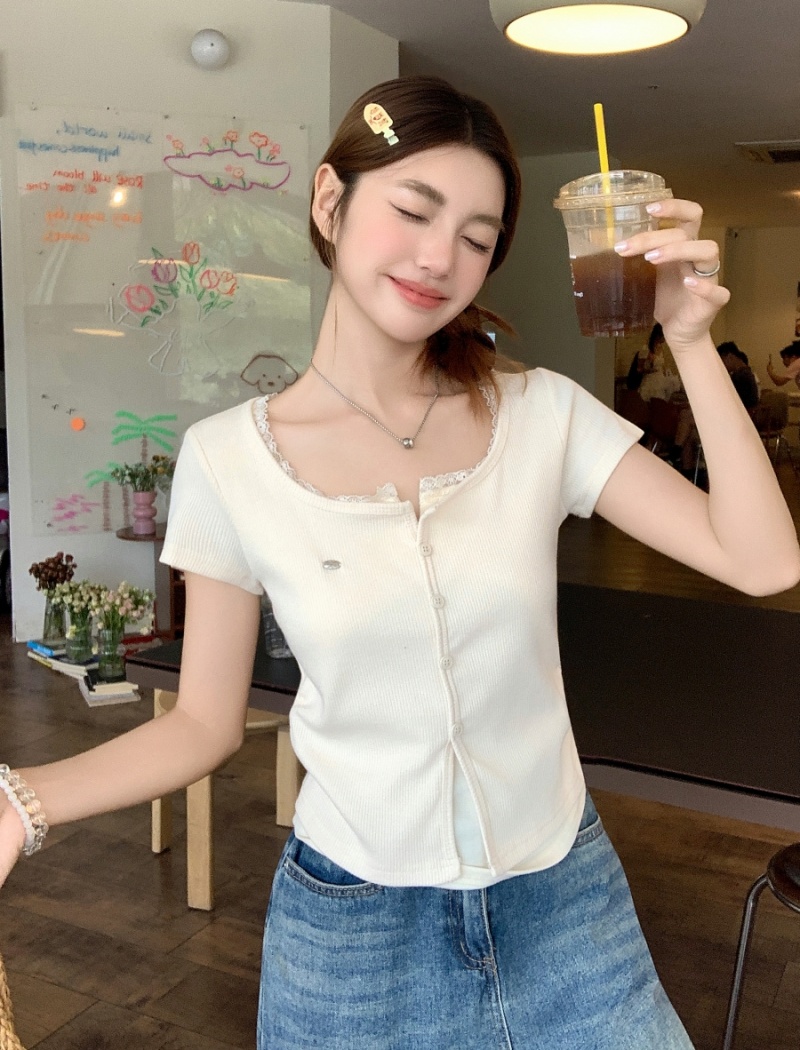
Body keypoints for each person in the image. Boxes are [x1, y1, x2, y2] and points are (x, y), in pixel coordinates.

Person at [2, 76, 799, 1050]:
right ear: (329, 202)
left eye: (476, 237)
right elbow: (203, 723)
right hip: (352, 934)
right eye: (413, 211)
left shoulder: (540, 414)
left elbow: (761, 561)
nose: (438, 258)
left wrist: (690, 339)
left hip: (563, 902)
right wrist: (20, 803)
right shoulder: (227, 460)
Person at [627, 322, 681, 401]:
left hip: (660, 380)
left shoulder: (660, 348)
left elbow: (662, 364)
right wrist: (650, 370)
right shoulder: (646, 349)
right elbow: (639, 369)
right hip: (650, 381)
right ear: (658, 336)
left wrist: (666, 373)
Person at [717, 341, 759, 413]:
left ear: (729, 357)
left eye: (722, 361)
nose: (722, 365)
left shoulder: (739, 376)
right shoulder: (748, 373)